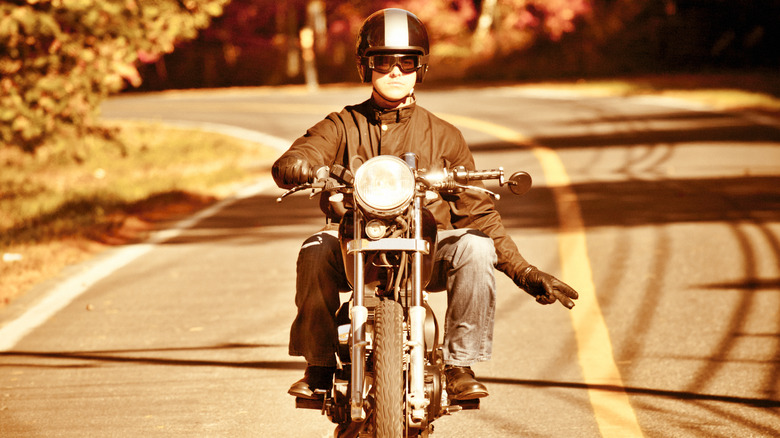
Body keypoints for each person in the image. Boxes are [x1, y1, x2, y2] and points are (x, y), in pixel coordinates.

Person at [272, 8, 578, 402]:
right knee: (315, 248)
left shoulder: (444, 136)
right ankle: (318, 367)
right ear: (366, 67)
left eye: (407, 61)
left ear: (421, 68)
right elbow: (297, 156)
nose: (395, 71)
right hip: (354, 248)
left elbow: (479, 214)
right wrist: (297, 166)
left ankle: (459, 365)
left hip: (426, 252)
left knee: (476, 246)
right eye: (383, 61)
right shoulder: (341, 125)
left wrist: (526, 273)